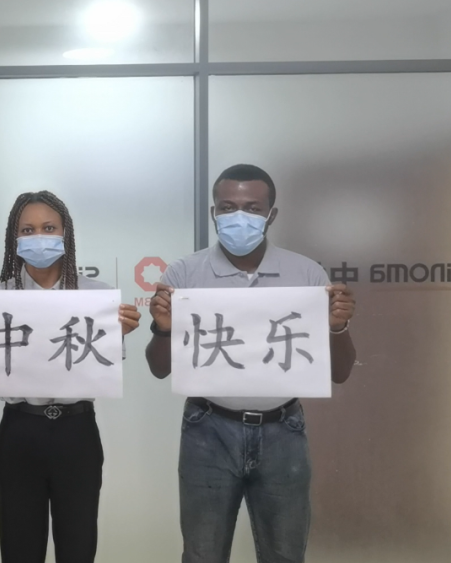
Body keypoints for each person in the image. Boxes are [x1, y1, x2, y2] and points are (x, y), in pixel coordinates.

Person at [144, 164, 356, 563]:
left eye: (253, 208)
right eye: (228, 207)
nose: (239, 216)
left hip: (283, 431)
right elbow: (159, 367)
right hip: (207, 429)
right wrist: (163, 328)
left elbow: (340, 372)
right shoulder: (184, 274)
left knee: (285, 554)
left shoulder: (307, 274)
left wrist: (337, 326)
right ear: (213, 212)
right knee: (202, 554)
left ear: (271, 215)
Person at [0, 190, 142, 563]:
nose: (39, 237)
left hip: (77, 432)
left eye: (49, 228)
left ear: (65, 233)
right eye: (28, 229)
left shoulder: (97, 296)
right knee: (19, 548)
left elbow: (106, 364)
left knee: (78, 546)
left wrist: (118, 332)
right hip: (21, 430)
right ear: (14, 238)